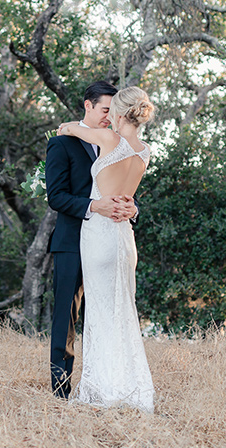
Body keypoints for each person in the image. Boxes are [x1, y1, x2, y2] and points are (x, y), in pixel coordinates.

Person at [56, 86, 155, 412]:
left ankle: (102, 389)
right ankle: (129, 386)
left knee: (98, 314)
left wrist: (67, 127)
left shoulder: (110, 141)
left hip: (99, 236)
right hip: (125, 240)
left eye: (112, 109)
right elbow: (127, 199)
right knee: (123, 312)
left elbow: (73, 128)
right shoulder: (144, 151)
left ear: (119, 112)